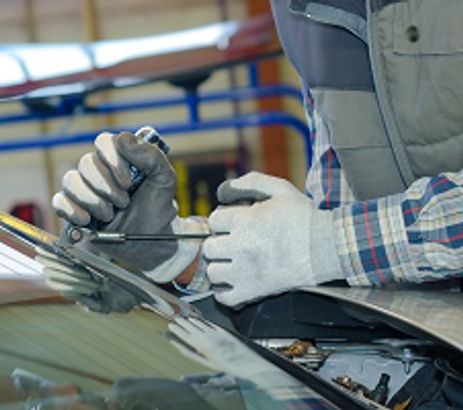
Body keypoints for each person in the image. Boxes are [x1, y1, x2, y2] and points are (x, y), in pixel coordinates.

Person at [53, 0, 463, 308]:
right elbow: (337, 237)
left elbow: (331, 245)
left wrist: (325, 244)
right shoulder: (301, 10)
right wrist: (178, 252)